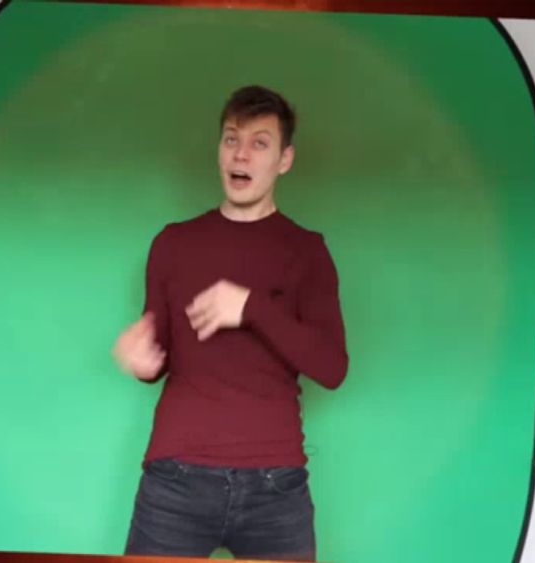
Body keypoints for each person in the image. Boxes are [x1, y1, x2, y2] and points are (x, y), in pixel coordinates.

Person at [112, 85, 348, 561]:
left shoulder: (307, 251)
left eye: (260, 142)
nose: (241, 153)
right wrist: (142, 361)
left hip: (275, 488)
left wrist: (252, 308)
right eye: (230, 138)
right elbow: (159, 355)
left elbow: (331, 368)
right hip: (174, 482)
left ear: (284, 159)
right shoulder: (173, 244)